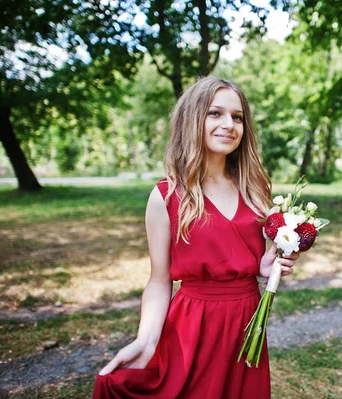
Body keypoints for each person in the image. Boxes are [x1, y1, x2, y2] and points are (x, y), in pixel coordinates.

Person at [93, 77, 300, 398]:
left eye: (237, 117)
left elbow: (244, 255)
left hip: (245, 321)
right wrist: (146, 339)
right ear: (192, 118)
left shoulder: (255, 189)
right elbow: (159, 281)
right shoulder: (166, 196)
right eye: (214, 113)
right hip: (193, 325)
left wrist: (265, 266)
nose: (228, 124)